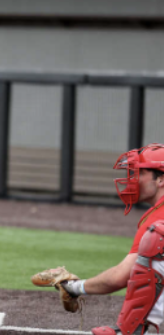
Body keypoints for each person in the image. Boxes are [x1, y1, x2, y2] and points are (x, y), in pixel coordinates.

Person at [59, 143, 164, 335]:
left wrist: (73, 287)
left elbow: (120, 277)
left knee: (156, 242)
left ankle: (130, 330)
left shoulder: (159, 217)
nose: (132, 179)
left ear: (161, 180)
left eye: (139, 173)